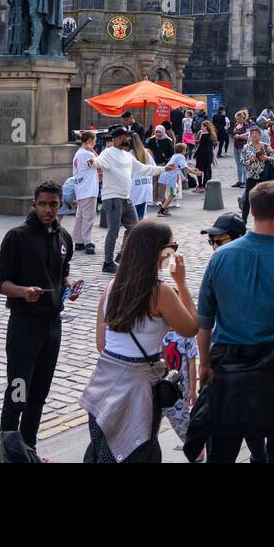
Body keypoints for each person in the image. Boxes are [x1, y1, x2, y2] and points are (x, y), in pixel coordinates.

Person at [185, 182, 274, 463]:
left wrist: (206, 367)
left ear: (252, 211)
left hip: (228, 364)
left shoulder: (220, 258)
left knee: (221, 451)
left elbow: (204, 322)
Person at [81, 219, 199, 462]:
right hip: (139, 389)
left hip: (104, 383)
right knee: (138, 449)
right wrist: (182, 283)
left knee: (106, 450)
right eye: (171, 247)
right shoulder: (160, 291)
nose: (173, 253)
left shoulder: (112, 286)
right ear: (158, 251)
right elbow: (191, 328)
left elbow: (102, 344)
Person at [0, 181, 75, 454]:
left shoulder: (64, 237)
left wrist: (68, 287)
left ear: (60, 204)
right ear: (34, 204)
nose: (48, 210)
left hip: (52, 326)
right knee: (18, 389)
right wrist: (22, 292)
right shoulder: (17, 237)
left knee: (39, 393)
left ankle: (29, 447)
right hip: (24, 325)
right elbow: (2, 282)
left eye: (53, 204)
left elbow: (62, 273)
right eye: (43, 204)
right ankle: (7, 446)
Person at [92, 125, 163, 274]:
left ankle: (122, 256)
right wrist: (93, 162)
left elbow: (144, 169)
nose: (128, 139)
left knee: (134, 228)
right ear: (117, 138)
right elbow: (99, 161)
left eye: (128, 137)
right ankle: (108, 262)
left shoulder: (128, 156)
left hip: (125, 198)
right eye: (125, 136)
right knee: (114, 231)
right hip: (112, 197)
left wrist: (163, 169)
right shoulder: (108, 152)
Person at [71, 131, 101, 256]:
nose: (95, 144)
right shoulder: (87, 154)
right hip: (88, 189)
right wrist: (93, 151)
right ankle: (87, 241)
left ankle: (78, 240)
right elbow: (99, 162)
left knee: (80, 216)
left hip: (81, 188)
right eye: (94, 141)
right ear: (89, 141)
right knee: (88, 216)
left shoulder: (79, 153)